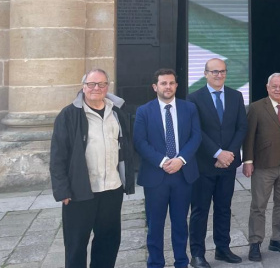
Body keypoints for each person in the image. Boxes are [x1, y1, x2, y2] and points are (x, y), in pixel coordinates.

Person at [50, 68, 135, 268]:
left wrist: (126, 180)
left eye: (101, 84)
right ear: (83, 86)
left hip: (112, 189)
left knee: (108, 241)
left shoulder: (117, 112)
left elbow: (125, 147)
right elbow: (58, 155)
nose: (96, 88)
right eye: (91, 84)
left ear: (107, 87)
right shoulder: (69, 115)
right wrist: (63, 189)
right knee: (76, 244)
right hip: (80, 191)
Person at [134, 69, 202, 268]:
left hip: (183, 175)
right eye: (163, 83)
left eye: (171, 83)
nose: (168, 87)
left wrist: (181, 159)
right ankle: (155, 262)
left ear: (176, 86)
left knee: (180, 222)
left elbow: (196, 136)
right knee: (155, 225)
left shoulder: (189, 108)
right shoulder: (144, 111)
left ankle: (181, 261)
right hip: (156, 176)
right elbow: (140, 141)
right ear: (155, 87)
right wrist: (163, 161)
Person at [187, 59, 248, 267]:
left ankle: (222, 249)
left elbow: (241, 127)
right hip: (205, 164)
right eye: (214, 71)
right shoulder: (194, 98)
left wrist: (229, 153)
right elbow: (197, 131)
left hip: (228, 165)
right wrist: (217, 153)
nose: (218, 75)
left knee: (224, 208)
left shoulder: (236, 96)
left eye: (222, 71)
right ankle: (197, 254)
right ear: (205, 73)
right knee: (200, 210)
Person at [242, 73, 280, 262]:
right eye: (273, 86)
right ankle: (255, 242)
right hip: (263, 165)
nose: (277, 89)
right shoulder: (256, 108)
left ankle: (278, 239)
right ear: (267, 87)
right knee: (259, 205)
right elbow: (249, 136)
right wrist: (247, 161)